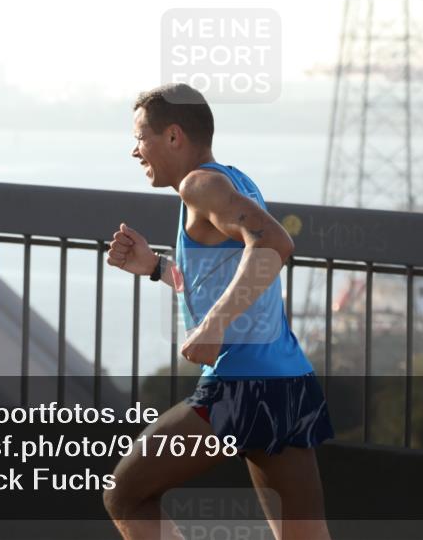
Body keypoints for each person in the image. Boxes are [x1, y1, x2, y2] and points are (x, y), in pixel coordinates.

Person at [103, 83, 334, 540]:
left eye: (140, 137)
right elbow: (231, 274)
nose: (135, 151)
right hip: (284, 383)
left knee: (124, 494)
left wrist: (213, 325)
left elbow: (272, 243)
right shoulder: (231, 180)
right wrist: (157, 268)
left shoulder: (200, 184)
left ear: (173, 136)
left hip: (241, 386)